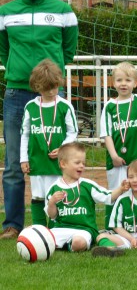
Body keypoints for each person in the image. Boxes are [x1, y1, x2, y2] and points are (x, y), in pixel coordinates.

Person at [0, 0, 78, 239]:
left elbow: (68, 50)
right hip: (17, 93)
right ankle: (12, 224)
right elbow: (3, 50)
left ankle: (63, 217)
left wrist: (50, 78)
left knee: (60, 157)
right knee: (13, 162)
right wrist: (18, 70)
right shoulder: (6, 11)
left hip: (52, 94)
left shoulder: (63, 11)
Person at [20, 59, 78, 226]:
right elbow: (25, 134)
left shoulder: (65, 106)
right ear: (38, 87)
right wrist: (23, 159)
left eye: (55, 86)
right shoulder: (30, 107)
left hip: (57, 161)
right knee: (37, 195)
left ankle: (55, 229)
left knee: (55, 195)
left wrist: (62, 149)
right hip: (37, 160)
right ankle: (38, 228)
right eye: (47, 88)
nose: (52, 91)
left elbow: (72, 132)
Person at [44, 142, 129, 252]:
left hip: (83, 230)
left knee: (79, 242)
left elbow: (108, 197)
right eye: (77, 162)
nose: (82, 166)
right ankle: (64, 244)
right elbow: (52, 215)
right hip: (60, 228)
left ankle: (70, 246)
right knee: (43, 239)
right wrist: (52, 202)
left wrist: (120, 189)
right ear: (63, 164)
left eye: (83, 163)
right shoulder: (54, 188)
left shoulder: (88, 185)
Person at [100, 61, 137, 228]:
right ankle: (110, 228)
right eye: (119, 80)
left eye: (128, 80)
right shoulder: (109, 106)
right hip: (116, 160)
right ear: (113, 83)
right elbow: (106, 133)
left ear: (135, 83)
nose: (123, 84)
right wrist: (113, 155)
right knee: (116, 193)